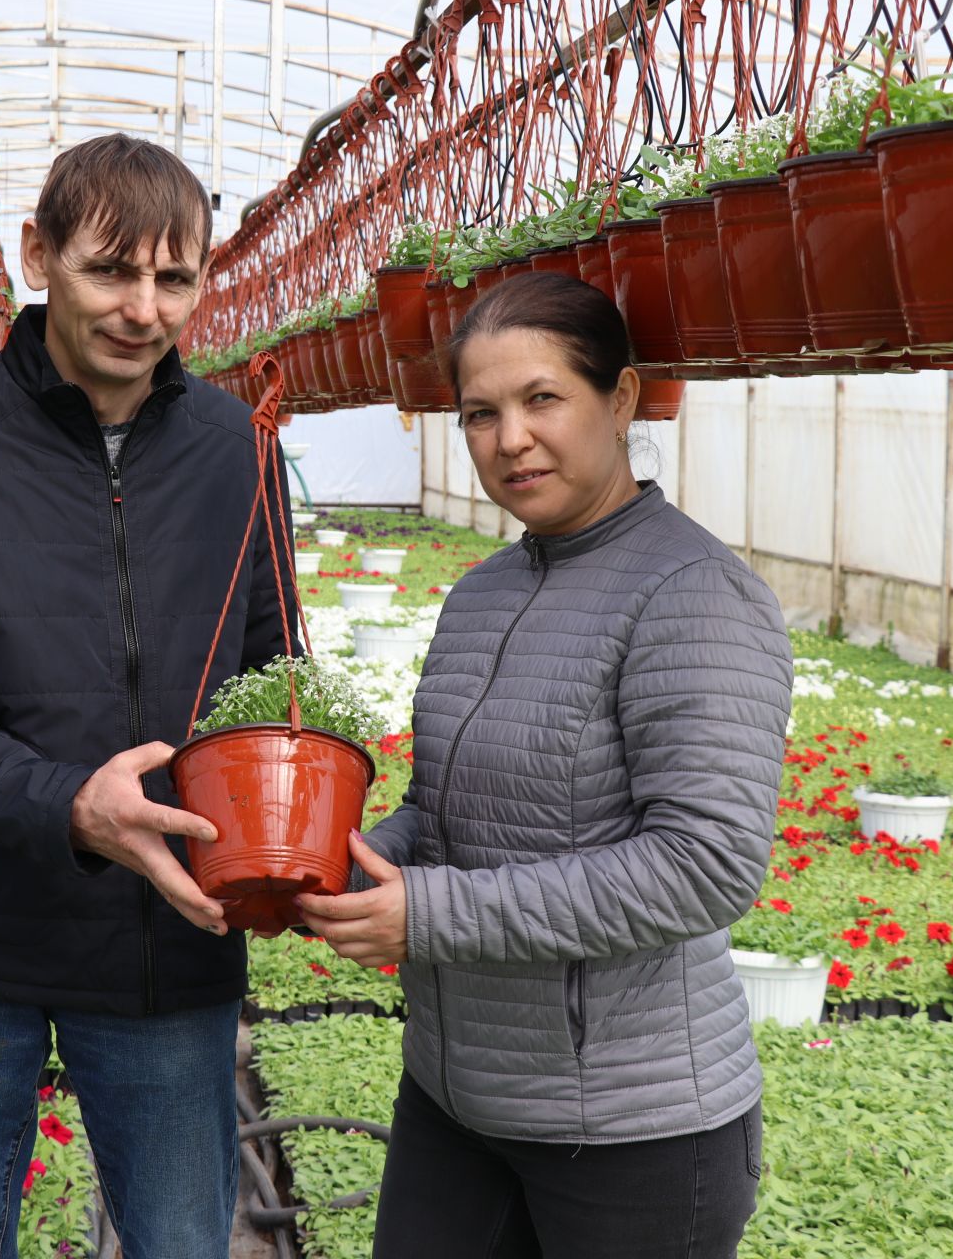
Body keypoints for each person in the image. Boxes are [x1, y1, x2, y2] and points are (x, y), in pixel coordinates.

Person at [0, 133, 296, 1259]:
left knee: (180, 1242)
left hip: (165, 940)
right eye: (112, 269)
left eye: (175, 278)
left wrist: (283, 837)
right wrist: (72, 807)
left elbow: (272, 668)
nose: (143, 309)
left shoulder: (238, 450)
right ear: (38, 253)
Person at [296, 270, 792, 1258]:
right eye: (480, 412)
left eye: (541, 399)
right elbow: (440, 812)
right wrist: (336, 857)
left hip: (633, 1133)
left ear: (621, 398)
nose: (509, 438)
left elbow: (705, 863)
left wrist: (426, 914)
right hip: (456, 1095)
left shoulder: (694, 592)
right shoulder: (480, 593)